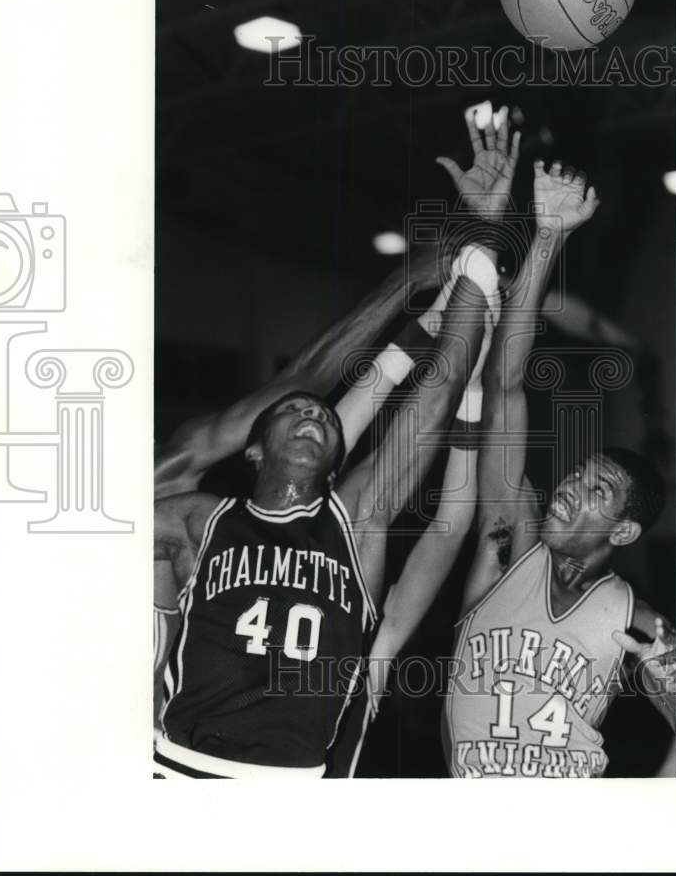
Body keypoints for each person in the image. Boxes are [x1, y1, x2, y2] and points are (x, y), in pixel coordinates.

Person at [369, 107, 676, 778]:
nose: (570, 484)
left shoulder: (633, 618)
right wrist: (546, 237)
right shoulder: (514, 536)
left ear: (623, 532)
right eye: (578, 474)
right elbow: (507, 384)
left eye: (595, 489)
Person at [152, 207, 502, 776]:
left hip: (294, 787)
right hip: (176, 766)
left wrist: (479, 259)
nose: (310, 413)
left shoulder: (356, 527)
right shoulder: (198, 520)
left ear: (338, 458)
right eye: (292, 410)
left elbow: (433, 404)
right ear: (253, 449)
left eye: (322, 417)